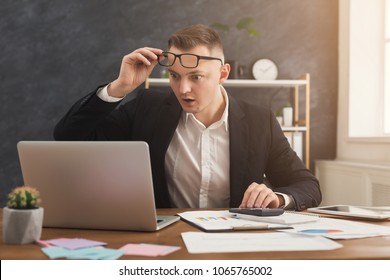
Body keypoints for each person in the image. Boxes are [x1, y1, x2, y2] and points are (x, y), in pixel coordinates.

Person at [54, 24, 321, 210]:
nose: (183, 89)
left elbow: (307, 185)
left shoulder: (259, 121)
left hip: (232, 241)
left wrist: (276, 198)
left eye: (196, 77)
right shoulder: (148, 108)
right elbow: (69, 137)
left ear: (223, 74)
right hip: (164, 241)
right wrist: (119, 88)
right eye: (175, 76)